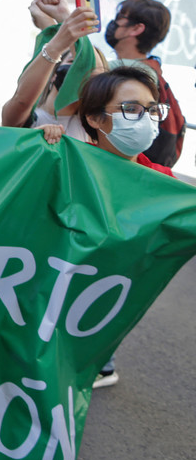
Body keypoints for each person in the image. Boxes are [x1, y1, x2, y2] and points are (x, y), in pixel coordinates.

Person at [64, 67, 174, 388]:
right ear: (95, 118)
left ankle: (100, 366)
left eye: (151, 109)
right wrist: (43, 144)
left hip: (113, 291)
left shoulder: (163, 182)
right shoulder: (68, 164)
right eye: (131, 109)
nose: (146, 119)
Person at [1, 0, 104, 141]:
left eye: (80, 64)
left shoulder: (93, 125)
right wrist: (54, 47)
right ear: (53, 73)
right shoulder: (27, 117)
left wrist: (65, 17)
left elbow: (95, 73)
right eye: (71, 62)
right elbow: (22, 100)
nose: (77, 70)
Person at [103, 0, 186, 167]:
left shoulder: (120, 72)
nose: (114, 22)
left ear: (136, 28)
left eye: (120, 17)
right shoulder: (151, 68)